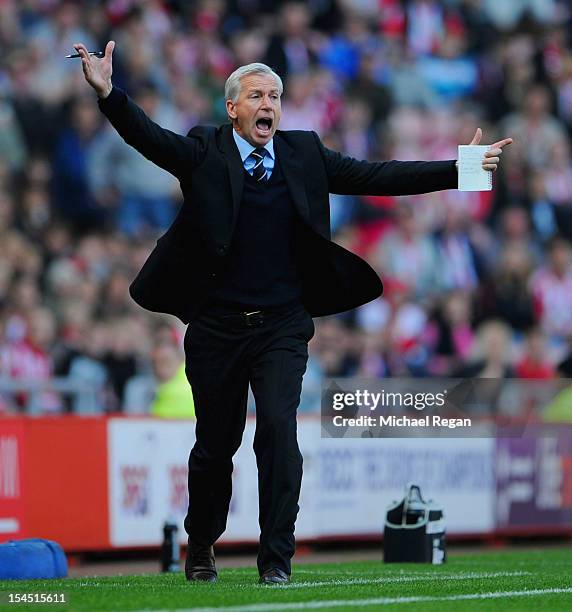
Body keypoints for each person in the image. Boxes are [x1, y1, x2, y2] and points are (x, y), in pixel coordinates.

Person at [73, 40, 512, 584]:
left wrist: (459, 167)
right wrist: (109, 94)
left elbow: (378, 176)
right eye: (257, 95)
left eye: (276, 96)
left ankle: (276, 559)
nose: (269, 104)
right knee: (216, 446)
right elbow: (150, 139)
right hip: (217, 328)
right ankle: (203, 540)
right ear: (232, 107)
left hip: (282, 324)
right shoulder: (205, 151)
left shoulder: (305, 153)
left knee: (279, 432)